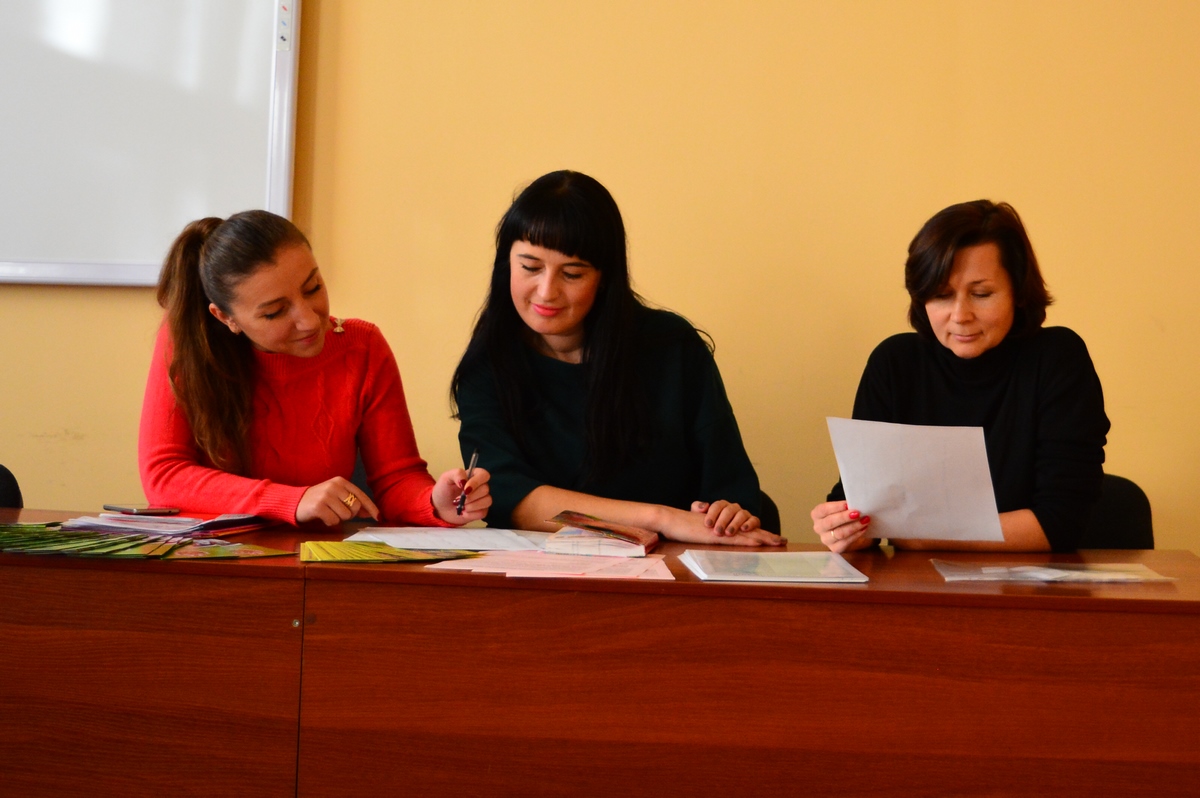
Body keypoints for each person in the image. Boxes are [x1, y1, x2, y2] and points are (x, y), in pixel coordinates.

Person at [451, 170, 781, 546]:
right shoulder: (488, 365)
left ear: (604, 277)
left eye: (572, 274)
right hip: (539, 569)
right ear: (506, 264)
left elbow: (731, 487)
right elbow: (512, 499)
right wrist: (660, 518)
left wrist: (729, 512)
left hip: (672, 566)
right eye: (530, 267)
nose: (546, 291)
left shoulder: (672, 348)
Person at [139, 209, 490, 526]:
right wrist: (292, 500)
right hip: (219, 560)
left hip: (318, 557)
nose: (309, 320)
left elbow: (395, 478)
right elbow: (164, 476)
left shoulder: (362, 347)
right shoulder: (188, 343)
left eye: (313, 288)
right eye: (275, 312)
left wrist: (434, 502)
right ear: (225, 317)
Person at [811, 200, 1109, 553]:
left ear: (1018, 291)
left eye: (981, 294)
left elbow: (1059, 524)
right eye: (941, 295)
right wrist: (844, 529)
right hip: (917, 582)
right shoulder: (895, 363)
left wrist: (916, 534)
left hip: (1030, 582)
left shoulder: (1058, 358)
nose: (960, 315)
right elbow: (861, 504)